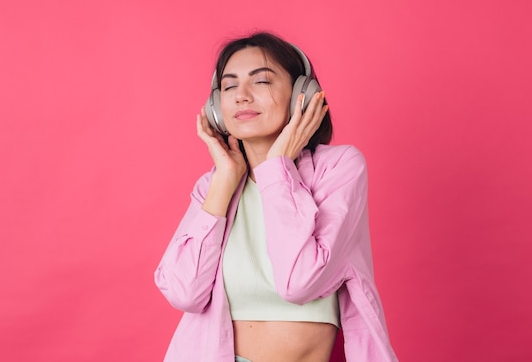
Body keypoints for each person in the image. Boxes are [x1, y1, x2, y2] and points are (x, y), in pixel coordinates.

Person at [154, 32, 398, 362]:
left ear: (303, 95)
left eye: (262, 82)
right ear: (215, 108)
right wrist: (225, 179)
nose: (241, 96)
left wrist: (277, 167)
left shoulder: (338, 168)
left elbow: (300, 282)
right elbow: (185, 293)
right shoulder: (214, 187)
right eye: (228, 86)